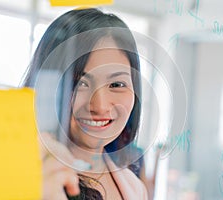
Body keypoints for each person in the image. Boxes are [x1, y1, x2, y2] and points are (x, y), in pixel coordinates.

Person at [22, 8, 148, 200]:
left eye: (116, 84)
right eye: (80, 83)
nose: (100, 106)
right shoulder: (18, 173)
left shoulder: (134, 188)